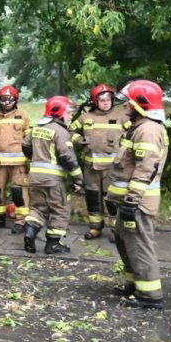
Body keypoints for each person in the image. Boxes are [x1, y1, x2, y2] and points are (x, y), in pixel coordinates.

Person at [105, 80, 169, 310]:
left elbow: (145, 168)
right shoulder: (138, 127)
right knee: (125, 241)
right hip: (128, 200)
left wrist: (131, 201)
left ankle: (149, 296)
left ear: (140, 104)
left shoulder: (148, 130)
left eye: (128, 102)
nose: (124, 106)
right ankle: (134, 284)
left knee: (140, 244)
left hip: (138, 203)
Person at [22, 96, 83, 254]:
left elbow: (25, 145)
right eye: (68, 113)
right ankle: (53, 244)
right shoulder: (61, 132)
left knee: (38, 208)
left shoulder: (37, 127)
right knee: (60, 209)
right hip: (53, 180)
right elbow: (67, 158)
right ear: (60, 112)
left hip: (34, 177)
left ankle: (29, 233)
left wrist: (36, 158)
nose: (70, 116)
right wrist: (78, 178)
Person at [70, 84, 130, 240]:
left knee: (112, 200)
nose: (105, 102)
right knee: (92, 198)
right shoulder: (85, 118)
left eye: (108, 99)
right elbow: (71, 131)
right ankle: (95, 228)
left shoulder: (121, 116)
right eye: (102, 100)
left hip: (113, 169)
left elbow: (133, 134)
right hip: (91, 168)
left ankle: (116, 230)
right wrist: (79, 140)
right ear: (95, 101)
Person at [0, 85, 31, 231]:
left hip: (18, 164)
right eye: (3, 99)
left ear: (15, 100)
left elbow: (30, 139)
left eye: (10, 99)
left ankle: (22, 221)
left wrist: (31, 159)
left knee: (19, 193)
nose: (6, 102)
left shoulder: (23, 116)